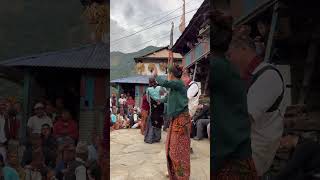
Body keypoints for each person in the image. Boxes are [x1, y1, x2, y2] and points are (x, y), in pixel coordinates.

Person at [227, 33, 285, 177]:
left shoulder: (268, 76)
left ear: (244, 49)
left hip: (253, 154)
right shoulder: (247, 76)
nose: (229, 60)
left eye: (230, 54)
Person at [211, 11, 258, 179]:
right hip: (238, 157)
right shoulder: (226, 68)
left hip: (231, 161)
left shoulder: (219, 67)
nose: (231, 58)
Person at [153, 64, 190, 179]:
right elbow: (166, 98)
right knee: (171, 149)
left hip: (182, 120)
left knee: (178, 152)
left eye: (168, 73)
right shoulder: (174, 87)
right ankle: (174, 173)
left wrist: (156, 76)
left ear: (171, 74)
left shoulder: (178, 83)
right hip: (176, 120)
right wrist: (158, 100)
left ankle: (182, 176)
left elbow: (165, 83)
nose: (167, 75)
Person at [144, 77, 164, 144]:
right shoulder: (161, 88)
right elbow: (164, 96)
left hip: (153, 108)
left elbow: (148, 99)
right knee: (159, 121)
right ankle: (157, 138)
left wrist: (153, 103)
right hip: (160, 108)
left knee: (152, 122)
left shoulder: (148, 89)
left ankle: (150, 138)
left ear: (149, 82)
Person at [0, 99, 9, 163]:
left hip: (3, 146)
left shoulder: (7, 118)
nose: (3, 107)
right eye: (1, 105)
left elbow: (7, 134)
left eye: (4, 105)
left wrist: (6, 119)